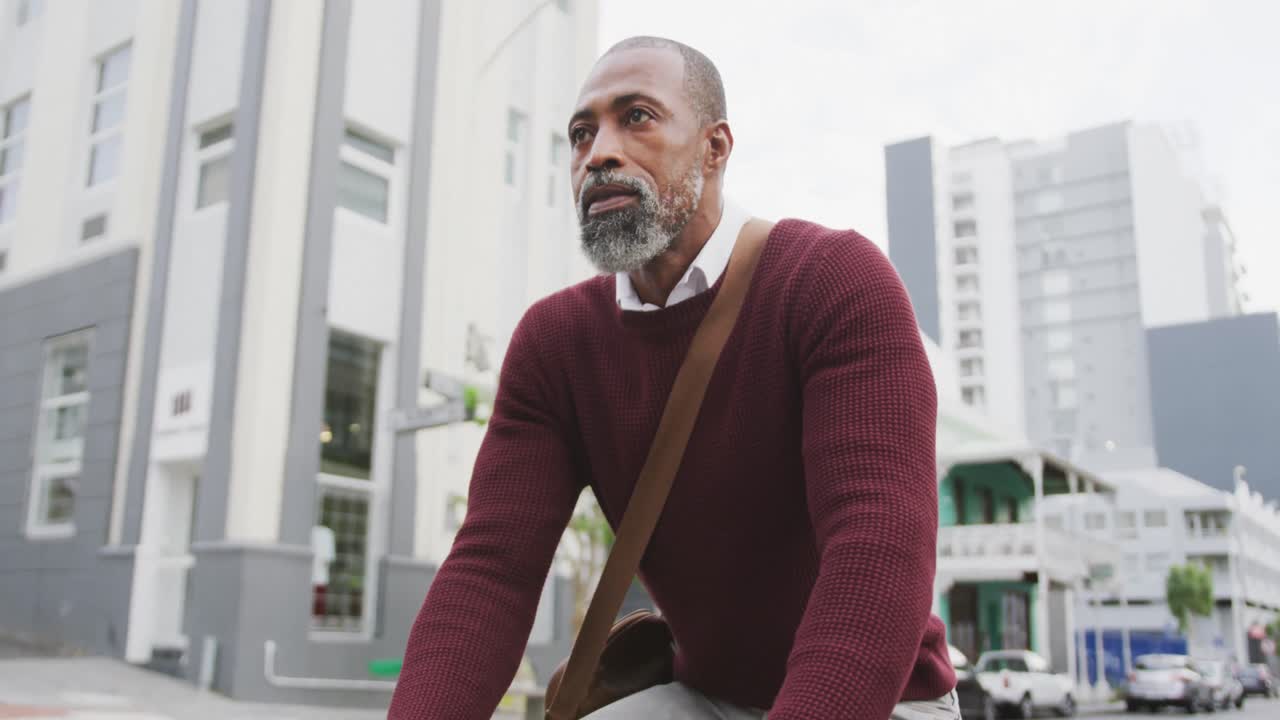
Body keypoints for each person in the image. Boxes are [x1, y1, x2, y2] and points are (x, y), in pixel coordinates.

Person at [388, 36, 956, 719]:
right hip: (709, 698)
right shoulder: (554, 345)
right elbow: (490, 574)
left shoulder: (833, 283)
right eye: (580, 133)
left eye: (636, 117)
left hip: (882, 699)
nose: (597, 152)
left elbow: (878, 548)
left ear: (715, 149)